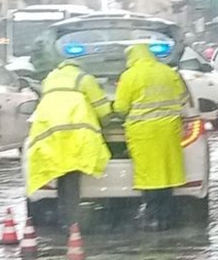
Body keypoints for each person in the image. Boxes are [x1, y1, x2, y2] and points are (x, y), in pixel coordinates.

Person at [26, 59, 112, 232]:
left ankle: (63, 218)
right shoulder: (84, 78)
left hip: (50, 132)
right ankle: (73, 223)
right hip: (75, 133)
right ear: (79, 66)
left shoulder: (50, 78)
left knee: (60, 176)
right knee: (72, 178)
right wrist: (107, 119)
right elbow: (102, 109)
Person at [113, 44, 188, 231]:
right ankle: (167, 217)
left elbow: (121, 108)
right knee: (167, 172)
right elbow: (183, 97)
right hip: (169, 130)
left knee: (149, 176)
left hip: (143, 133)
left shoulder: (129, 76)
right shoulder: (168, 72)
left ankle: (152, 216)